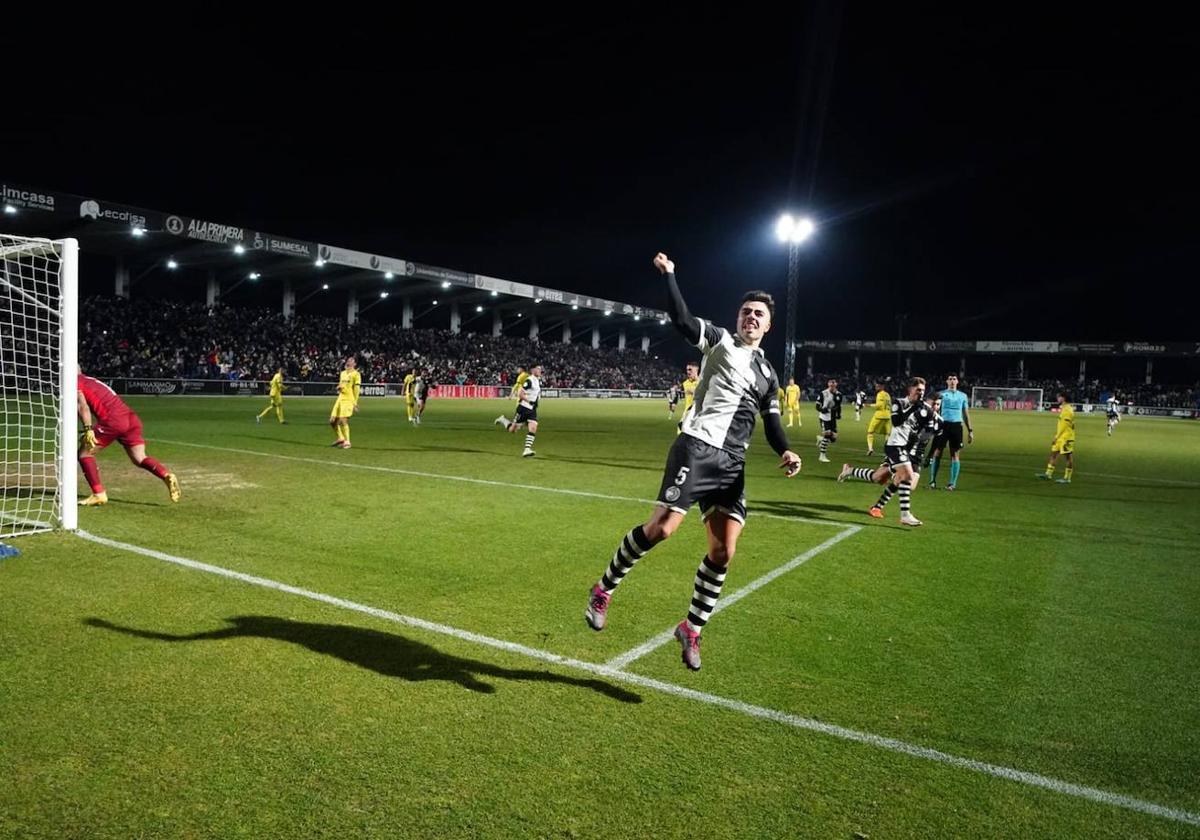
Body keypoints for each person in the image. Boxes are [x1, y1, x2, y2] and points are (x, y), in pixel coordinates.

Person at [584, 253, 801, 672]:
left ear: (768, 324)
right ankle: (603, 588)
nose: (750, 318)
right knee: (661, 529)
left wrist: (786, 450)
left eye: (758, 314)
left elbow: (772, 422)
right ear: (737, 319)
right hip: (697, 447)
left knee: (723, 552)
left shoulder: (769, 373)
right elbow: (683, 320)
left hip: (732, 464)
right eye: (745, 312)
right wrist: (670, 277)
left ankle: (691, 629)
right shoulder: (720, 341)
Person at [77, 370, 181, 506]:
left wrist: (88, 428)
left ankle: (98, 494)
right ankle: (166, 475)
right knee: (140, 458)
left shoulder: (75, 381)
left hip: (113, 420)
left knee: (85, 454)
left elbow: (82, 406)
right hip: (130, 418)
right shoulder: (91, 380)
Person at [927, 374, 974, 490]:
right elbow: (933, 409)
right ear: (947, 381)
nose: (952, 381)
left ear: (957, 381)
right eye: (950, 379)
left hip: (957, 426)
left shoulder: (962, 396)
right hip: (943, 425)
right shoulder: (941, 394)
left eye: (954, 379)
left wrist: (970, 430)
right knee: (937, 452)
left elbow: (965, 413)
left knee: (955, 454)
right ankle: (932, 481)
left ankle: (952, 483)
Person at [498, 364, 543, 456]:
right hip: (523, 408)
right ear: (533, 370)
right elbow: (520, 393)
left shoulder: (537, 380)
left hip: (532, 410)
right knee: (513, 430)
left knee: (533, 427)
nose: (540, 371)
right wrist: (529, 401)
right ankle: (503, 420)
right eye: (538, 369)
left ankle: (527, 449)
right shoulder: (529, 380)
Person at [1038, 391, 1076, 483]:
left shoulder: (1068, 410)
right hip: (1060, 437)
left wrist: (1056, 437)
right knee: (1053, 454)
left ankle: (1067, 478)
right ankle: (1048, 474)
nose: (1057, 399)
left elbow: (1065, 426)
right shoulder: (1064, 408)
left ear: (1063, 398)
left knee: (1068, 457)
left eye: (1059, 397)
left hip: (1066, 437)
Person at [329, 356, 361, 449]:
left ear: (355, 364)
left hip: (348, 399)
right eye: (348, 359)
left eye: (352, 360)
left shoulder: (356, 374)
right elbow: (341, 385)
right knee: (332, 421)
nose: (349, 361)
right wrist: (338, 387)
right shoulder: (342, 373)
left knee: (343, 420)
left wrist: (355, 402)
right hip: (340, 399)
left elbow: (356, 389)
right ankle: (340, 438)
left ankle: (347, 442)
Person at [815, 378, 841, 463]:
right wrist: (822, 410)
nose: (832, 384)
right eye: (830, 382)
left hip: (832, 418)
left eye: (834, 382)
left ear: (836, 384)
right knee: (827, 434)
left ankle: (820, 439)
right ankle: (822, 456)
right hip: (824, 417)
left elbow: (838, 405)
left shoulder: (839, 394)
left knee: (833, 438)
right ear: (828, 384)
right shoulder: (823, 393)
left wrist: (838, 414)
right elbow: (817, 405)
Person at [866, 380, 891, 457]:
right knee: (887, 434)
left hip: (879, 416)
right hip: (887, 416)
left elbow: (879, 405)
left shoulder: (880, 394)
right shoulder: (887, 395)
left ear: (882, 387)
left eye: (877, 386)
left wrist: (869, 405)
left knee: (870, 432)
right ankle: (888, 450)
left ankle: (870, 448)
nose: (876, 387)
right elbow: (890, 405)